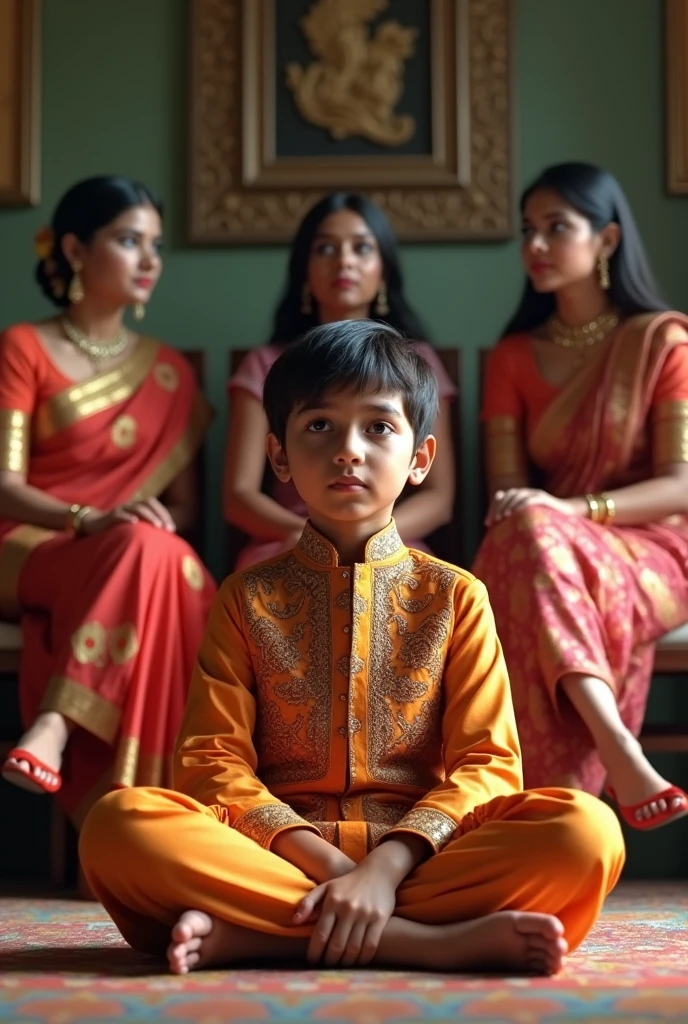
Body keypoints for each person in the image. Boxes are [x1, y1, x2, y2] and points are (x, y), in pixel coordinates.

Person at [80, 321, 624, 978]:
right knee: (120, 825)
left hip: (424, 855)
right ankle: (427, 942)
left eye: (377, 428)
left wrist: (387, 867)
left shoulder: (456, 597)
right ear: (279, 459)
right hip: (276, 852)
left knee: (585, 833)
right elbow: (210, 765)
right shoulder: (246, 598)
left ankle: (261, 935)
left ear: (420, 458)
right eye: (320, 427)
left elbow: (486, 766)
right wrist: (345, 875)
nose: (348, 451)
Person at [472, 161, 688, 829]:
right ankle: (612, 747)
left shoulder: (661, 341)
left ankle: (548, 814)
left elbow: (682, 485)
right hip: (548, 550)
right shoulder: (511, 358)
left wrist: (574, 511)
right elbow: (509, 496)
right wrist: (552, 517)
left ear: (608, 240)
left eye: (556, 228)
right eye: (527, 230)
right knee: (524, 540)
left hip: (654, 547)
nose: (534, 246)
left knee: (534, 540)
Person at [0, 175, 216, 830]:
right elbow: (4, 484)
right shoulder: (25, 348)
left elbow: (183, 505)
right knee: (155, 557)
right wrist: (87, 519)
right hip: (30, 543)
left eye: (154, 245)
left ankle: (57, 728)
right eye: (128, 241)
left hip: (130, 551)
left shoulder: (171, 372)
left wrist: (143, 521)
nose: (150, 260)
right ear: (73, 249)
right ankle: (166, 813)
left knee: (161, 552)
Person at [224, 192, 456, 570]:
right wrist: (317, 538)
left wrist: (369, 540)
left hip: (393, 539)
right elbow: (239, 495)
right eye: (325, 249)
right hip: (292, 538)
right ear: (304, 269)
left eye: (361, 248)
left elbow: (439, 496)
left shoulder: (417, 364)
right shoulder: (266, 364)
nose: (344, 260)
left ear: (383, 269)